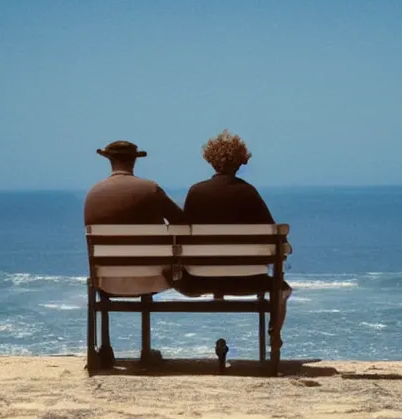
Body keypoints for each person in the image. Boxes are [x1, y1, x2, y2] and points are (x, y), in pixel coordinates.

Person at [174, 130, 292, 335]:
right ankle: (274, 338)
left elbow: (183, 235)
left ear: (210, 161)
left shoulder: (196, 191)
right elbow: (274, 239)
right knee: (283, 288)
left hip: (198, 279)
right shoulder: (248, 192)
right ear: (240, 162)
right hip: (246, 280)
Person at [84, 140, 186, 366]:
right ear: (134, 161)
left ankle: (104, 348)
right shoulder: (150, 189)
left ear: (109, 160)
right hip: (152, 278)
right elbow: (181, 222)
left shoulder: (93, 194)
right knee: (149, 266)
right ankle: (146, 349)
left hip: (106, 280)